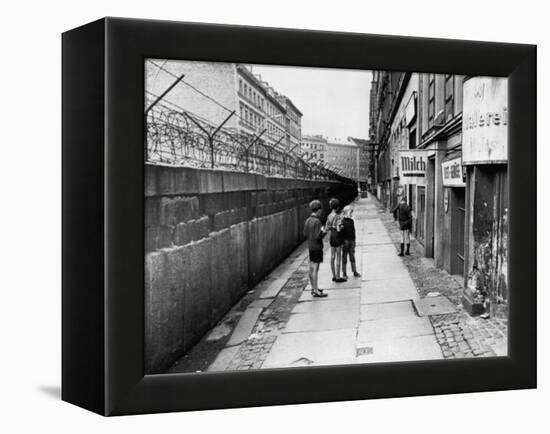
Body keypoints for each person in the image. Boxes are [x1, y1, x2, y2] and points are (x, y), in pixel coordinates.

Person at [303, 199, 328, 297]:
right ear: (318, 210)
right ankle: (316, 290)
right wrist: (324, 232)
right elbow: (318, 236)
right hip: (317, 246)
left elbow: (305, 233)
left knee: (311, 267)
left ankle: (313, 288)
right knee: (315, 269)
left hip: (310, 246)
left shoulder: (308, 220)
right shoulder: (317, 221)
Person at [326, 198, 346, 282]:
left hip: (332, 236)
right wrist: (342, 226)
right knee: (338, 256)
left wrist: (331, 227)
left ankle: (333, 275)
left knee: (332, 256)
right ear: (337, 207)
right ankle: (338, 276)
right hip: (337, 236)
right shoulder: (337, 217)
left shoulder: (329, 216)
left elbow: (327, 228)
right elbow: (339, 228)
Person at [340, 205, 361, 278]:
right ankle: (344, 272)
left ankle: (354, 271)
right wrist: (342, 242)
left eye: (352, 212)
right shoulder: (342, 221)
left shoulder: (351, 221)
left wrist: (354, 241)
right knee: (344, 257)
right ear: (345, 212)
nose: (351, 214)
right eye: (350, 212)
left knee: (352, 256)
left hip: (351, 240)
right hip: (345, 241)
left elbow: (353, 231)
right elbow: (341, 233)